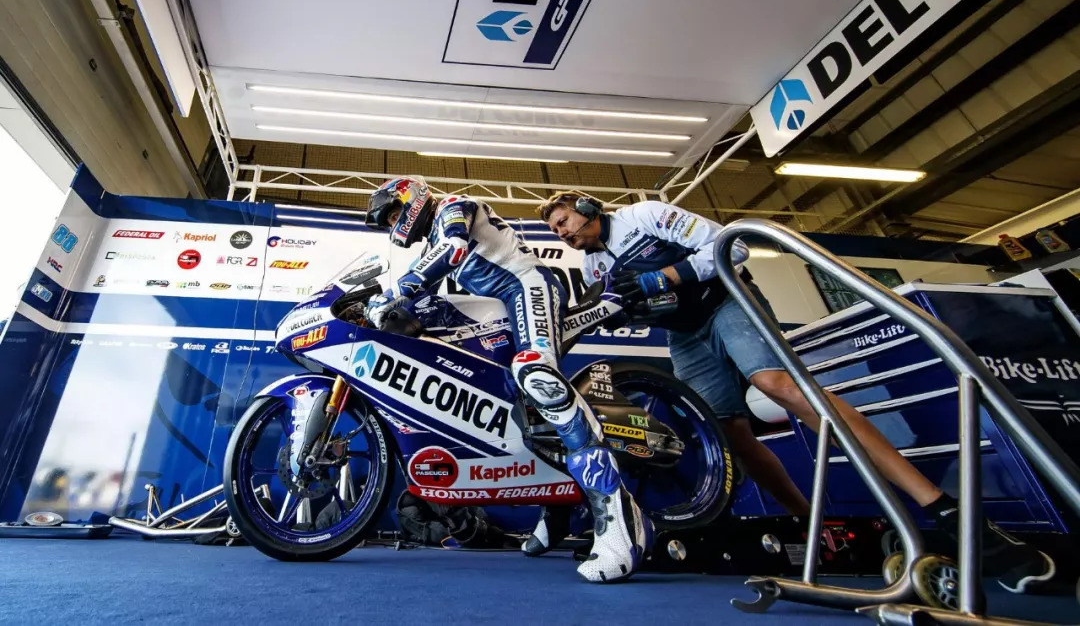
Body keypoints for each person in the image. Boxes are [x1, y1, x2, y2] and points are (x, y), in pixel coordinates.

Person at [538, 191, 1056, 594]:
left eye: (564, 222)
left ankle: (945, 510)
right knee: (724, 435)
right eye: (555, 230)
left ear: (588, 208)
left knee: (777, 386)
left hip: (728, 302)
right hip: (685, 334)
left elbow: (734, 247)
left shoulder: (646, 215)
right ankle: (810, 523)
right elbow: (634, 305)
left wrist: (667, 276)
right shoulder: (593, 267)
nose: (563, 234)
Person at [363, 177, 652, 583]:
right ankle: (559, 509)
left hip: (528, 286)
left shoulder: (453, 208)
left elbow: (453, 248)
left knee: (535, 373)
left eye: (395, 213)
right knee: (521, 406)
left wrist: (399, 290)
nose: (395, 224)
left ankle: (620, 517)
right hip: (504, 307)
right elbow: (430, 282)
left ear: (412, 197)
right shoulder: (431, 246)